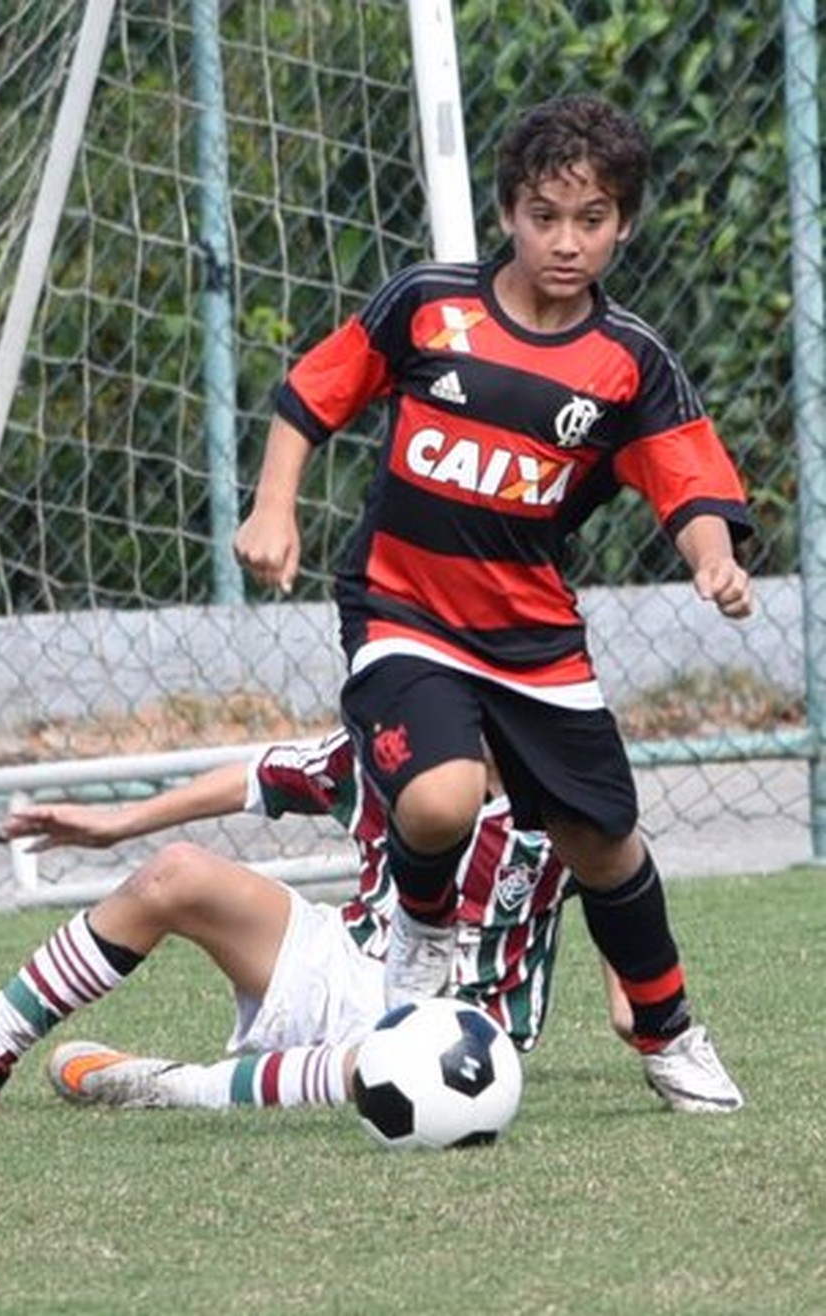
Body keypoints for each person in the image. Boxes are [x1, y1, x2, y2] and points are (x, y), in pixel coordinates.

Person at [232, 94, 751, 1113]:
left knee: (603, 841)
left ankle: (668, 1029)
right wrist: (272, 508)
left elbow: (688, 481)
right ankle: (423, 935)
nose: (566, 241)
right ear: (509, 211)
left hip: (535, 640)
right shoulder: (429, 304)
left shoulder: (629, 363)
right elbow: (313, 393)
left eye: (591, 220)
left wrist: (714, 558)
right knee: (439, 797)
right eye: (545, 216)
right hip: (400, 607)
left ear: (624, 225)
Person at [0, 728, 624, 1117]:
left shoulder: (562, 796)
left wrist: (651, 1021)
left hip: (457, 1030)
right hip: (343, 962)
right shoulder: (390, 746)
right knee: (178, 872)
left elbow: (621, 896)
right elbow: (256, 776)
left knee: (400, 1070)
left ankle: (165, 1085)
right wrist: (119, 823)